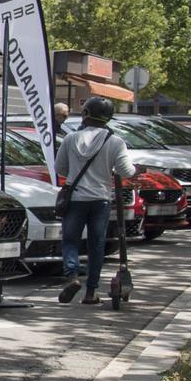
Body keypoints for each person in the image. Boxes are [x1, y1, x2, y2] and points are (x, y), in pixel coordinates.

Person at [54, 95, 132, 305]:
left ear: (86, 114)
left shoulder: (71, 139)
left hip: (76, 198)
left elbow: (59, 168)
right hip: (100, 199)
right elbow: (126, 170)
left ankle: (72, 276)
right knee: (96, 245)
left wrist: (76, 170)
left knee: (70, 240)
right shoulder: (115, 141)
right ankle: (91, 293)